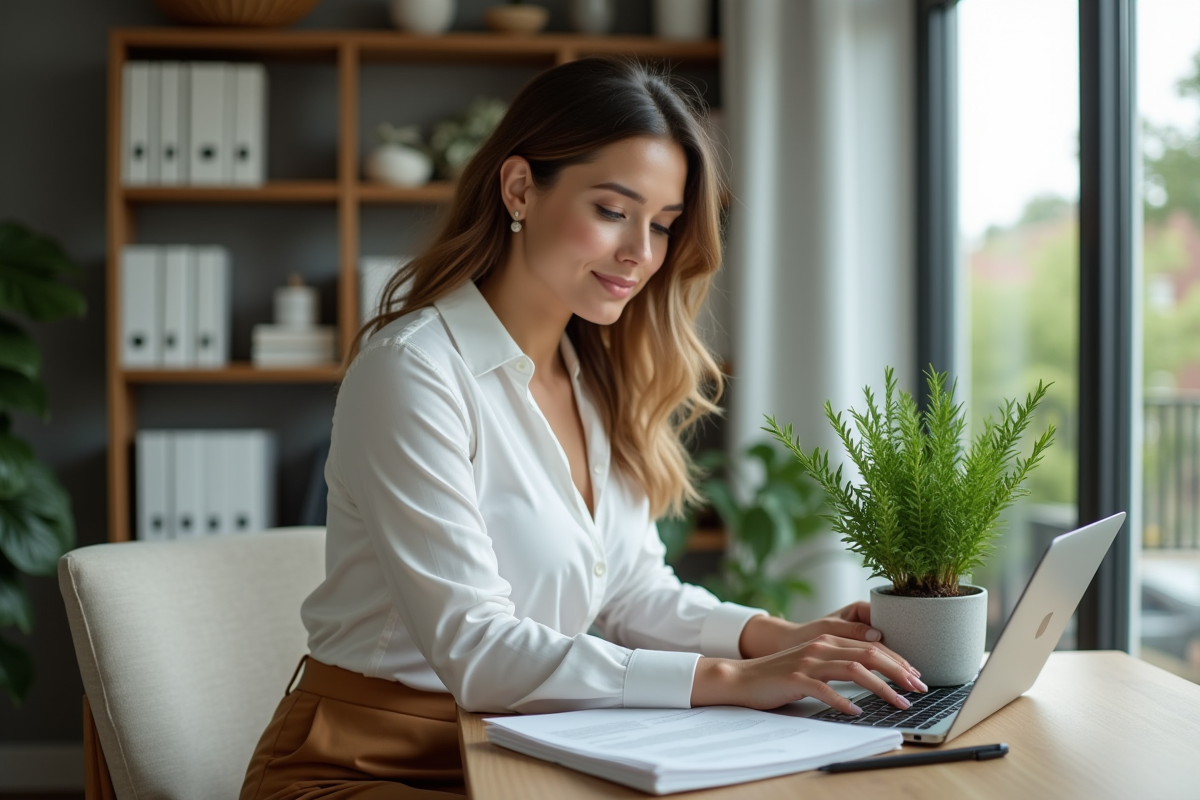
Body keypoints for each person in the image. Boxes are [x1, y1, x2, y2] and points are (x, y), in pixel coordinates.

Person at [240, 56, 927, 800]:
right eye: (611, 210)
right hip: (364, 763)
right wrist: (730, 679)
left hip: (529, 743)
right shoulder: (412, 372)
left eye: (663, 226)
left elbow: (630, 593)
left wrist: (781, 639)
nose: (640, 253)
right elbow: (477, 650)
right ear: (520, 188)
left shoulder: (593, 374)